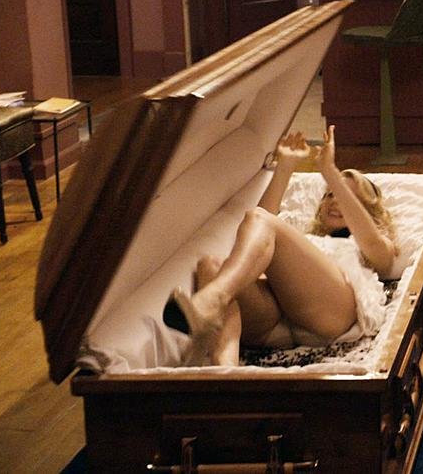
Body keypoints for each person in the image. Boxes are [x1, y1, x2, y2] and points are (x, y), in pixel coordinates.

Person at [162, 126, 397, 366]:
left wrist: (331, 174)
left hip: (332, 313)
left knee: (261, 223)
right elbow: (261, 223)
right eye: (329, 195)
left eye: (345, 195)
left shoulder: (368, 243)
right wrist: (285, 166)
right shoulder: (303, 236)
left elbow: (378, 250)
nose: (335, 200)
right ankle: (225, 369)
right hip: (278, 323)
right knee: (210, 265)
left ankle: (212, 301)